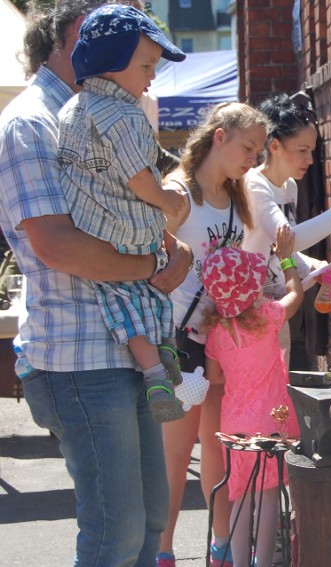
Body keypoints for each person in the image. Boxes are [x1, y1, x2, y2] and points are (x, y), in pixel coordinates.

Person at [0, 1, 192, 565]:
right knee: (117, 535)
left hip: (117, 354)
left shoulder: (98, 110)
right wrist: (153, 271)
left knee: (149, 521)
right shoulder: (32, 122)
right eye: (142, 53)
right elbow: (56, 245)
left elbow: (150, 205)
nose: (149, 65)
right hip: (79, 357)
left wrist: (160, 239)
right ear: (81, 35)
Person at [58, 3, 188, 422]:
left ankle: (153, 371)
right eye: (147, 65)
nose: (153, 76)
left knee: (118, 299)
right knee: (156, 284)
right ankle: (165, 353)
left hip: (91, 227)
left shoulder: (72, 108)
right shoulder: (125, 114)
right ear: (112, 64)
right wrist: (169, 201)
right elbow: (139, 179)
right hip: (132, 225)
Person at [156, 101, 270, 567]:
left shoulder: (236, 198)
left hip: (221, 346)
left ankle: (222, 546)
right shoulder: (176, 193)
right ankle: (161, 551)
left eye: (259, 151)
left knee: (219, 452)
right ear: (219, 136)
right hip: (176, 345)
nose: (253, 159)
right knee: (174, 456)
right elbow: (151, 268)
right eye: (248, 147)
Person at [243, 92, 331, 363]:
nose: (309, 159)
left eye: (312, 150)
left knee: (277, 392)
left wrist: (310, 266)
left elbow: (282, 249)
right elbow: (288, 239)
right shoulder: (254, 184)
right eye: (302, 150)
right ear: (274, 146)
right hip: (249, 310)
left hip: (275, 308)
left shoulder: (289, 187)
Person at [201, 238, 303, 567]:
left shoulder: (216, 332)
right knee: (268, 492)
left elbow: (214, 376)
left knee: (240, 494)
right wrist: (287, 261)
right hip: (272, 420)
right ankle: (264, 561)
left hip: (234, 425)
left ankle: (240, 560)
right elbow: (296, 296)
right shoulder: (269, 316)